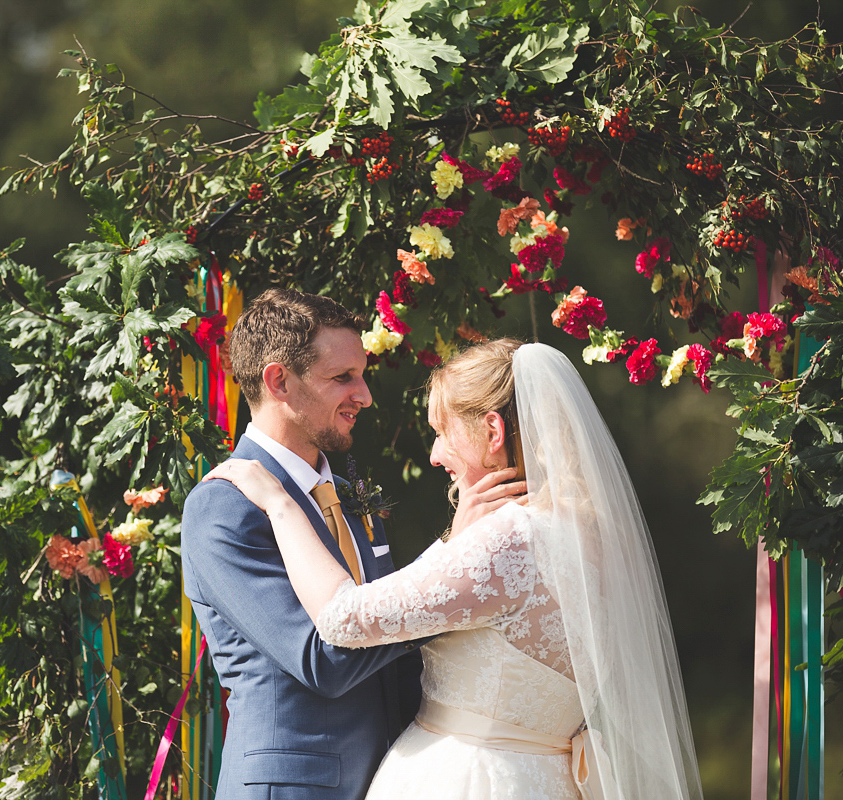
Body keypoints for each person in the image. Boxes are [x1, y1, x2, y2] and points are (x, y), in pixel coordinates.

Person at [205, 338, 705, 800]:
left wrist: (279, 505)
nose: (435, 454)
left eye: (443, 432)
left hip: (468, 778)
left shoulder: (506, 537)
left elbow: (342, 620)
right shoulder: (592, 532)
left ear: (492, 430)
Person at [181, 290, 527, 800]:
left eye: (361, 375)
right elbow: (323, 660)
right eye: (343, 377)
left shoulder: (346, 495)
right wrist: (453, 559)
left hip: (395, 778)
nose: (364, 395)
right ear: (279, 381)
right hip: (295, 788)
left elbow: (392, 642)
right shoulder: (226, 507)